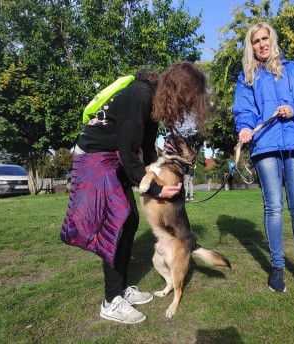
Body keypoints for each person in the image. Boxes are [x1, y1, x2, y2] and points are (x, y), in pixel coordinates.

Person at [61, 62, 210, 324]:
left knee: (130, 220)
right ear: (176, 90)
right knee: (117, 223)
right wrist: (155, 188)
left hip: (112, 158)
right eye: (185, 101)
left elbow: (146, 150)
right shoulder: (140, 97)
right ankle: (111, 301)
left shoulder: (152, 102)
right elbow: (129, 153)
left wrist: (159, 183)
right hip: (95, 157)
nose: (184, 109)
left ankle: (121, 289)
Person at [233, 22, 294, 292]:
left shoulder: (293, 68)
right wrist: (245, 128)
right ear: (251, 45)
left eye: (265, 38)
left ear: (273, 40)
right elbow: (244, 110)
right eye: (256, 41)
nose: (261, 44)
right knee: (273, 208)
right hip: (265, 146)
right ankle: (277, 267)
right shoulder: (247, 76)